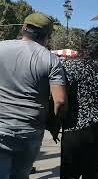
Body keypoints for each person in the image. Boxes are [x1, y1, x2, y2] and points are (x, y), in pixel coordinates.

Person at [0, 13, 66, 178]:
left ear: (23, 28)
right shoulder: (51, 60)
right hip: (30, 131)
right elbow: (60, 101)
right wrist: (55, 121)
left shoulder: (1, 47)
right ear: (48, 35)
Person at [60, 25, 98, 179]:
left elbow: (61, 99)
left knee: (70, 175)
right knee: (92, 173)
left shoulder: (71, 66)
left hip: (77, 128)